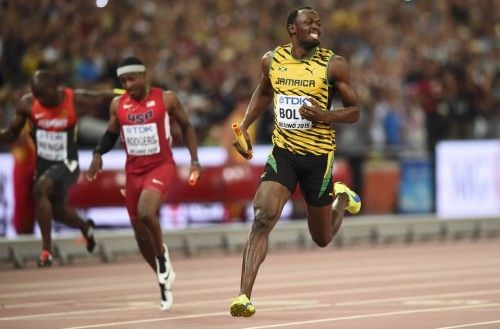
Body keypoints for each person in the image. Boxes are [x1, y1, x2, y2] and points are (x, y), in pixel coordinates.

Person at [229, 6, 362, 317]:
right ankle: (243, 297)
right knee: (262, 217)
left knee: (322, 238)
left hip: (318, 159)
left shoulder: (333, 65)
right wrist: (245, 126)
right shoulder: (271, 60)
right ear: (292, 28)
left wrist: (324, 114)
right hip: (283, 154)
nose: (316, 26)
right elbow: (263, 91)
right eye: (309, 22)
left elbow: (355, 111)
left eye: (318, 22)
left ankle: (341, 198)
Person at [87, 57, 201, 311]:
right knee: (140, 238)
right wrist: (97, 154)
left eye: (132, 79)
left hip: (161, 166)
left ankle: (162, 256)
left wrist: (195, 161)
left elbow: (187, 125)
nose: (128, 84)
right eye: (123, 81)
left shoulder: (166, 98)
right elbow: (110, 134)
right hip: (133, 172)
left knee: (146, 211)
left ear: (144, 75)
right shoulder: (118, 104)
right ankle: (163, 280)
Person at [0, 70, 114, 266]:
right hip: (44, 165)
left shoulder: (73, 99)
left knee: (39, 189)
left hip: (67, 163)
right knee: (58, 211)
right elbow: (11, 134)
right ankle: (86, 228)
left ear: (55, 88)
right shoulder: (28, 104)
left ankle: (46, 250)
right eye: (38, 96)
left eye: (44, 95)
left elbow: (101, 97)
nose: (41, 100)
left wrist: (129, 93)